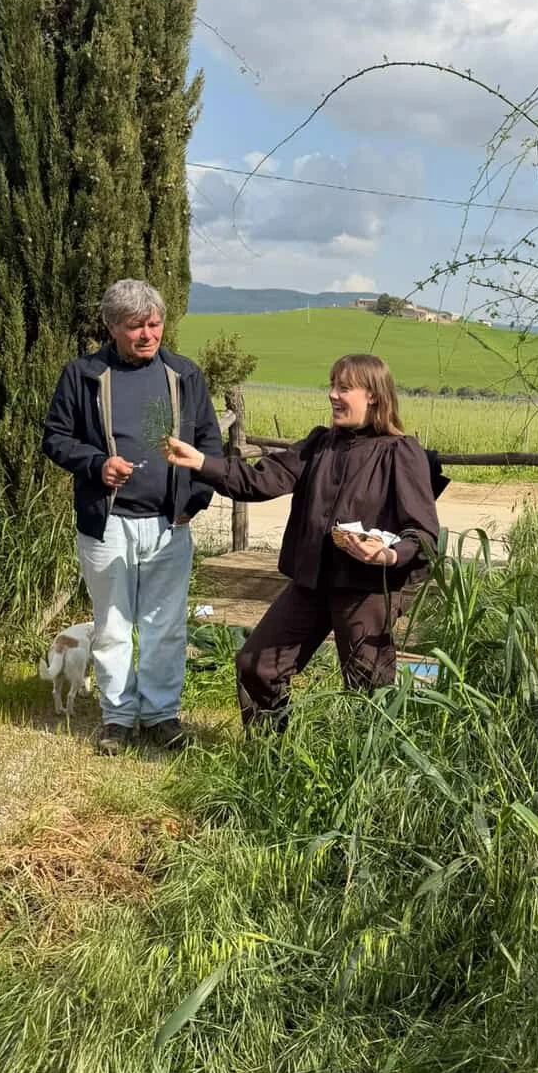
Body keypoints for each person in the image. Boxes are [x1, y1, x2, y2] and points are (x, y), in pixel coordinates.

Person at [162, 352, 440, 733]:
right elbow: (260, 480)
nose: (332, 395)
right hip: (312, 584)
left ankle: (369, 767)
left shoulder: (399, 452)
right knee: (257, 666)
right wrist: (201, 463)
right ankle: (270, 755)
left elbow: (423, 533)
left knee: (369, 691)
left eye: (344, 388)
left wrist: (389, 555)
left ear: (373, 395)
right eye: (332, 385)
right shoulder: (319, 444)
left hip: (368, 592)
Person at [42, 279, 223, 754]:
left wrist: (194, 503)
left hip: (169, 523)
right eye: (135, 326)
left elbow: (209, 443)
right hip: (106, 524)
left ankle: (161, 714)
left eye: (155, 323)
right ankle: (119, 718)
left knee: (167, 625)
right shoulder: (83, 375)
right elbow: (56, 438)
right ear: (112, 327)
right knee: (112, 625)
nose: (148, 334)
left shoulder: (184, 375)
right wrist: (97, 465)